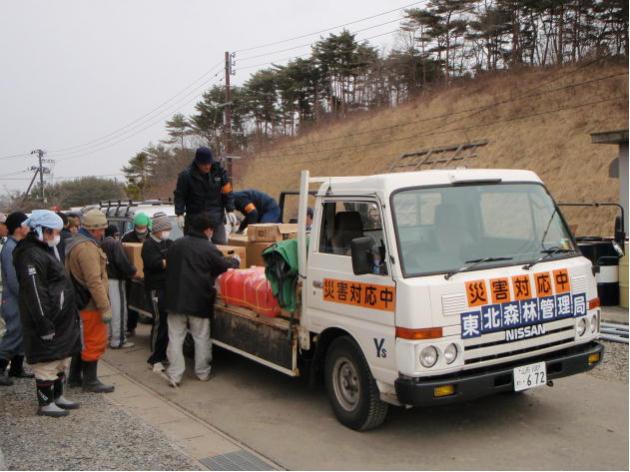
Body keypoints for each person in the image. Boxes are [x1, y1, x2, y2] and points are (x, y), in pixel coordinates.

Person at [12, 210, 81, 417]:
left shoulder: (45, 249)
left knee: (60, 360)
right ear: (42, 230)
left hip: (59, 317)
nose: (56, 236)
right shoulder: (30, 254)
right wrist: (43, 322)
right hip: (46, 318)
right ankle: (45, 402)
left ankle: (58, 396)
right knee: (46, 364)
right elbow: (34, 292)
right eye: (54, 232)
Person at [164, 213, 239, 386]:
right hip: (199, 300)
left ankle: (175, 376)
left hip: (174, 300)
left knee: (175, 338)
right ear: (207, 230)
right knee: (201, 337)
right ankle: (202, 372)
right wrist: (235, 262)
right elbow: (222, 265)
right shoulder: (208, 248)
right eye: (212, 229)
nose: (212, 233)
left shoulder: (175, 245)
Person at [65, 209, 114, 393]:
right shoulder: (87, 249)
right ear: (93, 229)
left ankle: (75, 377)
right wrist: (105, 306)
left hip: (79, 301)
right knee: (94, 340)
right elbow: (94, 281)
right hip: (90, 303)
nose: (103, 232)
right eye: (101, 229)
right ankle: (90, 381)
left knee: (82, 340)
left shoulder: (75, 243)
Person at [174, 146, 236, 244]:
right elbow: (180, 195)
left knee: (220, 245)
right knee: (193, 248)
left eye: (209, 163)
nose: (207, 166)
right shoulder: (186, 176)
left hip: (216, 217)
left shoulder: (219, 172)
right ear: (197, 163)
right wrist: (179, 213)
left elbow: (227, 192)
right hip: (195, 218)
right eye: (204, 164)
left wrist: (230, 209)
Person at [0, 212, 33, 386]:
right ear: (19, 228)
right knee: (14, 332)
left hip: (20, 297)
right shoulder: (11, 249)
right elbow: (14, 280)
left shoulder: (18, 245)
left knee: (22, 332)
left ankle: (17, 368)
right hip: (14, 298)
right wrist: (27, 296)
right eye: (26, 225)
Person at [141, 213, 173, 373]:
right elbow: (155, 263)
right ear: (158, 230)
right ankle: (155, 358)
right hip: (155, 287)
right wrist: (168, 261)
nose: (168, 232)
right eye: (166, 229)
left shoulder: (168, 242)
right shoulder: (148, 245)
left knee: (166, 322)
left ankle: (162, 353)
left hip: (167, 287)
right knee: (159, 321)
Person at [101, 225, 137, 349]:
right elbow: (122, 262)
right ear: (115, 234)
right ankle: (119, 340)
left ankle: (111, 336)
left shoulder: (101, 243)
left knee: (110, 310)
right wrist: (133, 271)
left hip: (105, 280)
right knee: (119, 310)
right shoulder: (115, 244)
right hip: (116, 280)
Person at [121, 212, 151, 337]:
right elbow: (123, 255)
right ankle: (130, 327)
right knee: (131, 302)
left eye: (143, 227)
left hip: (148, 274)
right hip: (131, 275)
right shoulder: (127, 237)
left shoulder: (152, 236)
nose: (140, 230)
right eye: (138, 227)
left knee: (149, 303)